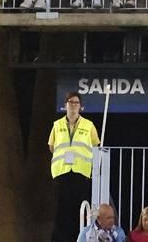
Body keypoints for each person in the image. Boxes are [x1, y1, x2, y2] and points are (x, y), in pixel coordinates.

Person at [51, 94, 100, 242]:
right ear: (65, 105)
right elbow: (52, 146)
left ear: (81, 106)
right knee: (61, 212)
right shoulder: (57, 125)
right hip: (62, 172)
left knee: (79, 211)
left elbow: (96, 145)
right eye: (70, 102)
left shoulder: (88, 125)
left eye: (76, 102)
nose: (73, 105)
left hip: (81, 173)